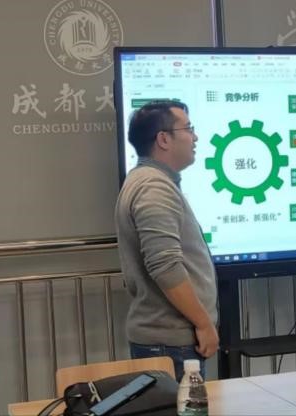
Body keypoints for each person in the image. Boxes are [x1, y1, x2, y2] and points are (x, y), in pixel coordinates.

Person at [115, 100, 218, 380]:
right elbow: (165, 266)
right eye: (188, 129)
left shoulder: (150, 180)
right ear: (163, 139)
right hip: (170, 343)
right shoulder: (154, 188)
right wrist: (203, 323)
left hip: (169, 341)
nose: (195, 137)